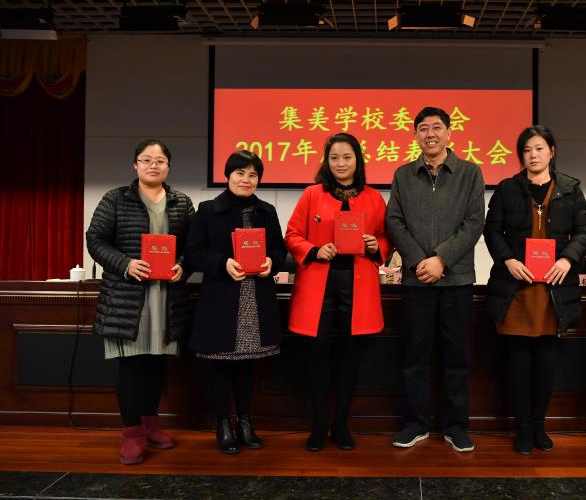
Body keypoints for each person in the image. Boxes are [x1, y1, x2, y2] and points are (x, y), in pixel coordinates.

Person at [86, 139, 195, 465]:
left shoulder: (181, 202)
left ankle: (151, 425)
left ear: (168, 166)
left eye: (160, 161)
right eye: (146, 160)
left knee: (156, 365)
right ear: (135, 164)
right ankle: (131, 433)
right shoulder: (115, 199)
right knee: (132, 366)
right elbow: (95, 240)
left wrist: (184, 266)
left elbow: (193, 246)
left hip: (166, 298)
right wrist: (126, 264)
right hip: (128, 298)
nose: (153, 165)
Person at [484, 126, 586, 455]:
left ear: (552, 152)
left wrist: (568, 259)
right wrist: (508, 260)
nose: (533, 155)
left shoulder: (570, 189)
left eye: (539, 148)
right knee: (518, 362)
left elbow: (583, 232)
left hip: (553, 289)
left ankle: (539, 426)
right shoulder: (507, 189)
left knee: (545, 361)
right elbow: (492, 231)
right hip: (516, 287)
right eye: (527, 150)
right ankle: (522, 428)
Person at [385, 106, 485, 452]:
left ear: (449, 133)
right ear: (415, 135)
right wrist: (418, 261)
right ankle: (416, 424)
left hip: (457, 280)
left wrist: (442, 259)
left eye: (437, 127)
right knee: (415, 356)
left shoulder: (470, 173)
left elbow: (474, 222)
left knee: (456, 357)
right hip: (417, 283)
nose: (430, 134)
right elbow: (394, 221)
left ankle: (456, 427)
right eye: (423, 128)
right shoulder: (403, 175)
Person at [285, 133, 390, 452]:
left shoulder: (374, 197)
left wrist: (375, 245)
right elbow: (292, 234)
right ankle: (318, 427)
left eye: (347, 157)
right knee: (317, 357)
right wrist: (315, 250)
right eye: (334, 158)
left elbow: (386, 238)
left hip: (357, 286)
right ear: (326, 161)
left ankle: (341, 425)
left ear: (357, 160)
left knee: (350, 358)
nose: (340, 163)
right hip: (320, 285)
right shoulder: (312, 194)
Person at [184, 150, 286, 455]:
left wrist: (271, 262)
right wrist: (222, 263)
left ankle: (245, 422)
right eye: (240, 173)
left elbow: (280, 250)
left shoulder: (267, 211)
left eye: (253, 175)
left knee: (246, 367)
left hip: (255, 298)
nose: (246, 179)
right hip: (222, 299)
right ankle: (223, 424)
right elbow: (193, 252)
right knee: (221, 366)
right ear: (228, 176)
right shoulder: (207, 210)